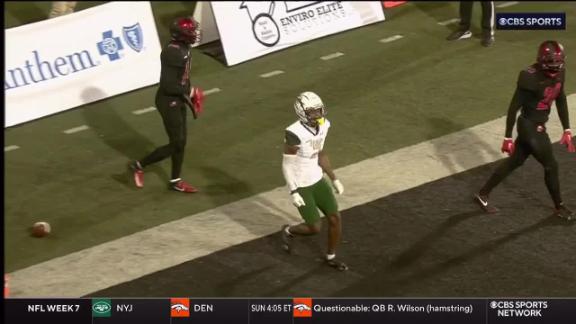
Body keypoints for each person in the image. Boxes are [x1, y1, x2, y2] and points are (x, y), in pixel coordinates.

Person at [474, 40, 575, 220]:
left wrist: (567, 128)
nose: (555, 67)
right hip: (529, 126)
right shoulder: (529, 77)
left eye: (557, 62)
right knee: (551, 165)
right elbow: (514, 107)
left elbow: (560, 98)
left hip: (538, 124)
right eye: (551, 63)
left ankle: (483, 194)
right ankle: (559, 206)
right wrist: (507, 136)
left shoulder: (561, 73)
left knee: (515, 162)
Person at [129, 17, 204, 193]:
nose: (194, 33)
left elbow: (183, 77)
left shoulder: (184, 48)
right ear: (183, 35)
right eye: (191, 31)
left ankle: (175, 180)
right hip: (168, 100)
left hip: (177, 98)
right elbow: (168, 85)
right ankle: (139, 165)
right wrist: (191, 93)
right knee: (176, 143)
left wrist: (190, 93)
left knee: (181, 142)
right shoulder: (173, 52)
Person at [281, 92, 348, 271]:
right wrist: (293, 191)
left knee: (335, 218)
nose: (317, 115)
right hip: (301, 184)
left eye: (318, 110)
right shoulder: (294, 133)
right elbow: (286, 165)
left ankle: (331, 256)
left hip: (317, 179)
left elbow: (320, 153)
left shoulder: (324, 125)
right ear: (302, 112)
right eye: (312, 112)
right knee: (314, 228)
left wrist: (334, 178)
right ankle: (288, 231)